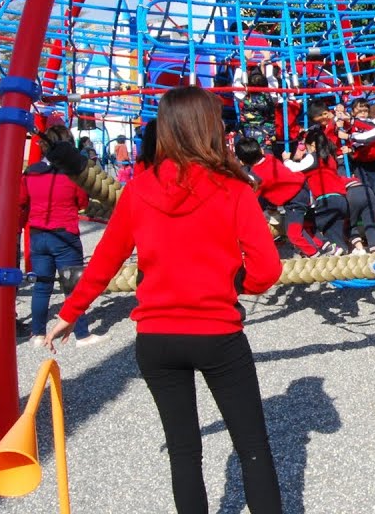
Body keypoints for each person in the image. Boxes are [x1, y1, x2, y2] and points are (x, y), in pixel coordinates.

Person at [45, 86, 284, 514]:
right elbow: (267, 270)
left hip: (156, 336)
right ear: (210, 129)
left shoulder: (138, 190)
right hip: (218, 334)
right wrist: (232, 283)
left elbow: (104, 261)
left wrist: (69, 313)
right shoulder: (234, 190)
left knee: (183, 451)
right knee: (251, 447)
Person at [20, 126, 100, 347]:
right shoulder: (72, 174)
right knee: (73, 285)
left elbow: (22, 199)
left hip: (38, 234)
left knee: (42, 285)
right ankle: (81, 334)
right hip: (64, 234)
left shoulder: (31, 172)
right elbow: (82, 202)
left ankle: (37, 333)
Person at [235, 138, 332, 258]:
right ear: (261, 150)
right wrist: (272, 206)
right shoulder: (270, 158)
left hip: (294, 199)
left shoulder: (257, 177)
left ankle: (315, 255)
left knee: (294, 234)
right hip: (303, 190)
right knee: (301, 226)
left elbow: (251, 198)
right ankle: (323, 245)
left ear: (242, 162)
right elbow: (275, 185)